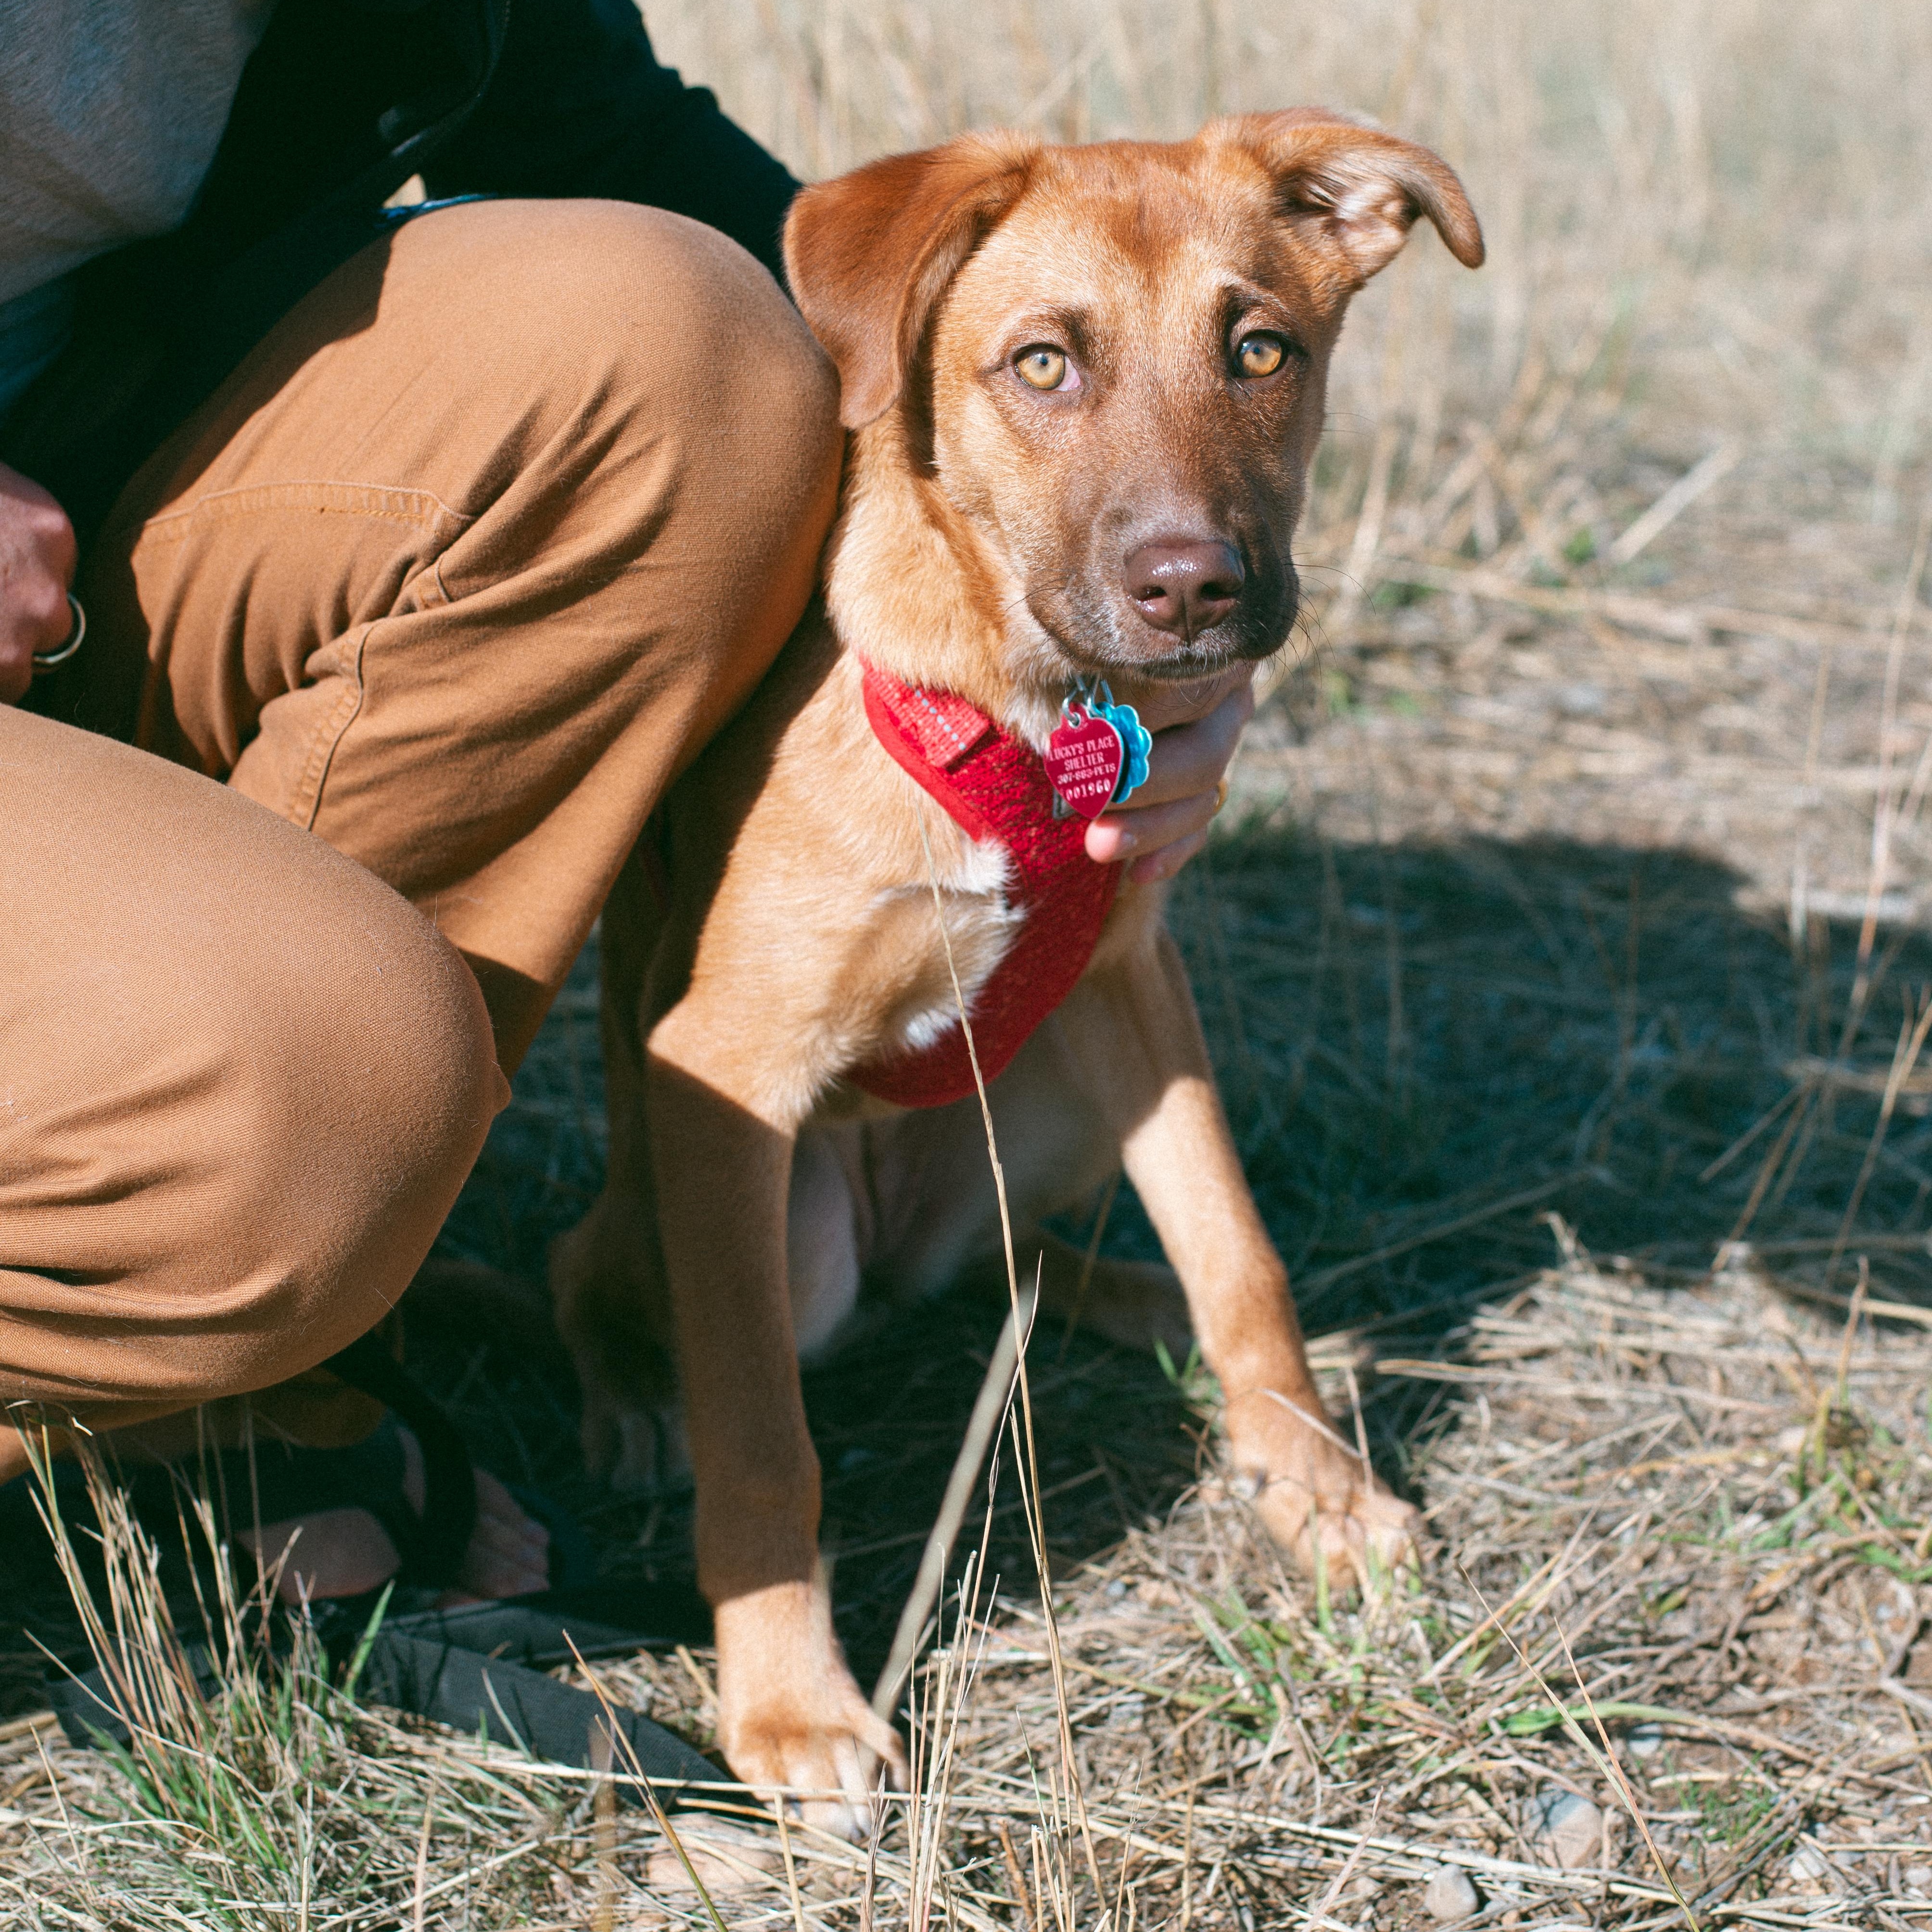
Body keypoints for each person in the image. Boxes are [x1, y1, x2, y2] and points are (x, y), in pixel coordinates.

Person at [0, 0, 1255, 1604]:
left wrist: (1139, 592)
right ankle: (152, 1326)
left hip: (83, 538)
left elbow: (627, 152)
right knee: (308, 1113)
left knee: (694, 343)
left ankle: (242, 1315)